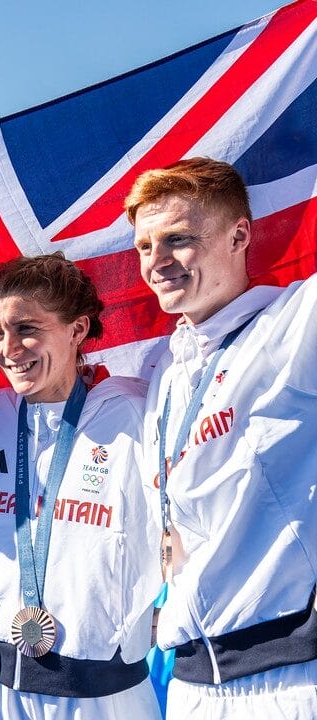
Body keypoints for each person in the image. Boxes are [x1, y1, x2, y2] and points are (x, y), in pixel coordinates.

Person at [126, 157, 317, 719]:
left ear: (239, 236)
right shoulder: (164, 373)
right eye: (144, 246)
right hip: (191, 681)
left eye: (178, 239)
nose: (156, 262)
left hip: (283, 679)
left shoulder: (292, 327)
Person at [0, 253, 162, 719]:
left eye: (26, 328)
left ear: (77, 330)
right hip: (0, 693)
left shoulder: (136, 413)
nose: (9, 349)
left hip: (103, 695)